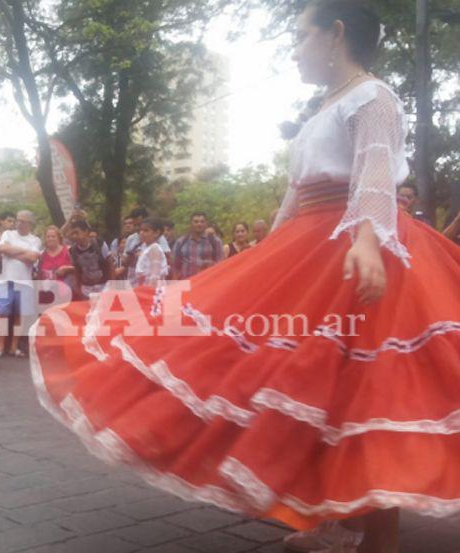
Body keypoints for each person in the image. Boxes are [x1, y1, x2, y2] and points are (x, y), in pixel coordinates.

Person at [30, 2, 460, 552]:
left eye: (301, 36)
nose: (295, 48)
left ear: (336, 33)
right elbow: (294, 196)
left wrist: (369, 242)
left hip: (354, 247)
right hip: (311, 247)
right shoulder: (323, 108)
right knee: (314, 388)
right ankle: (339, 519)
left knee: (371, 391)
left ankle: (378, 540)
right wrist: (263, 254)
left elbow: (375, 174)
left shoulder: (372, 96)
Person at [0, 210, 41, 358]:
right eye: (17, 220)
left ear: (29, 223)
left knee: (19, 316)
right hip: (6, 280)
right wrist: (24, 252)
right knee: (2, 313)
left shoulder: (35, 240)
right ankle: (0, 347)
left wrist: (12, 252)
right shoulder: (8, 234)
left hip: (25, 282)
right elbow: (2, 249)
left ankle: (13, 347)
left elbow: (33, 258)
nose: (18, 223)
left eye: (22, 221)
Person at [170, 211, 224, 279]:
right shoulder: (180, 242)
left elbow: (220, 265)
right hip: (187, 284)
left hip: (207, 283)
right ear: (191, 224)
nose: (199, 224)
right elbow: (175, 267)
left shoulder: (215, 242)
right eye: (196, 222)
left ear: (206, 224)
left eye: (202, 222)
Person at [68, 219, 111, 299]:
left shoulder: (99, 244)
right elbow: (77, 271)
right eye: (72, 233)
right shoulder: (73, 251)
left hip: (103, 287)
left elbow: (110, 266)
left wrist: (111, 287)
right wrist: (78, 289)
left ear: (86, 232)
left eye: (77, 232)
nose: (74, 236)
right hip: (86, 289)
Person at [38, 225, 75, 294]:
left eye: (53, 236)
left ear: (59, 238)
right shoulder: (41, 255)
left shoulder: (68, 251)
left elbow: (79, 268)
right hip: (47, 294)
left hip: (66, 292)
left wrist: (66, 268)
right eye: (48, 237)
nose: (50, 239)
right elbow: (39, 275)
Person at [132, 219, 168, 287]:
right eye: (140, 230)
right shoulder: (146, 248)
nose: (141, 233)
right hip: (144, 287)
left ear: (156, 233)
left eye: (146, 230)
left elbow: (155, 275)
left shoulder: (154, 248)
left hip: (152, 290)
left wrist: (149, 292)